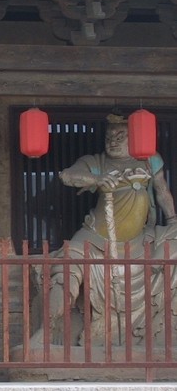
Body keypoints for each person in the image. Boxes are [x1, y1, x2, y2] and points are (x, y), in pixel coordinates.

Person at [46, 113, 177, 345]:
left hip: (141, 239)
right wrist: (96, 180)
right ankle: (46, 329)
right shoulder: (96, 161)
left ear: (134, 137)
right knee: (66, 270)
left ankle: (162, 326)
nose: (112, 142)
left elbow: (162, 191)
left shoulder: (148, 159)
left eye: (120, 136)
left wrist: (173, 219)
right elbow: (68, 175)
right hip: (96, 238)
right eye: (108, 137)